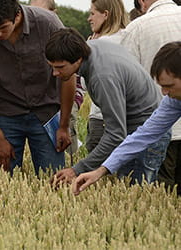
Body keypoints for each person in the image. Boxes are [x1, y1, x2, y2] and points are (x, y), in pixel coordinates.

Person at [0, 0, 76, 175]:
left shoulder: (48, 24)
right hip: (5, 114)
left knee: (54, 177)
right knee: (3, 180)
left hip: (45, 112)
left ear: (17, 15)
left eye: (2, 28)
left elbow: (67, 75)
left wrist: (64, 125)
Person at [46, 28, 171, 186]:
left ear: (78, 59)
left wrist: (76, 169)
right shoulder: (92, 48)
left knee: (134, 191)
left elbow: (116, 134)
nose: (54, 73)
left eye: (60, 67)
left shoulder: (102, 77)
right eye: (52, 66)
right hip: (139, 129)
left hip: (146, 134)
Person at [72, 41, 181, 195]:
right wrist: (101, 170)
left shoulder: (102, 75)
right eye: (161, 86)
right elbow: (143, 135)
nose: (163, 93)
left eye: (169, 86)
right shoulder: (173, 101)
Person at [120, 0, 181, 194]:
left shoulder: (137, 26)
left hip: (162, 128)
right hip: (162, 118)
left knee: (164, 189)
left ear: (141, 3)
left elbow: (126, 80)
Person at [30, 0, 85, 164]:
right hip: (40, 107)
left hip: (62, 105)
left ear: (54, 12)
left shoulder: (65, 38)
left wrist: (72, 106)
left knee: (66, 149)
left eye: (42, 12)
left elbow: (74, 79)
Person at [86, 0, 129, 153]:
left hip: (101, 117)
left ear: (105, 14)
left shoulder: (98, 44)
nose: (89, 19)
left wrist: (89, 45)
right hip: (128, 117)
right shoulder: (130, 37)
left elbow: (86, 82)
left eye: (92, 13)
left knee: (96, 170)